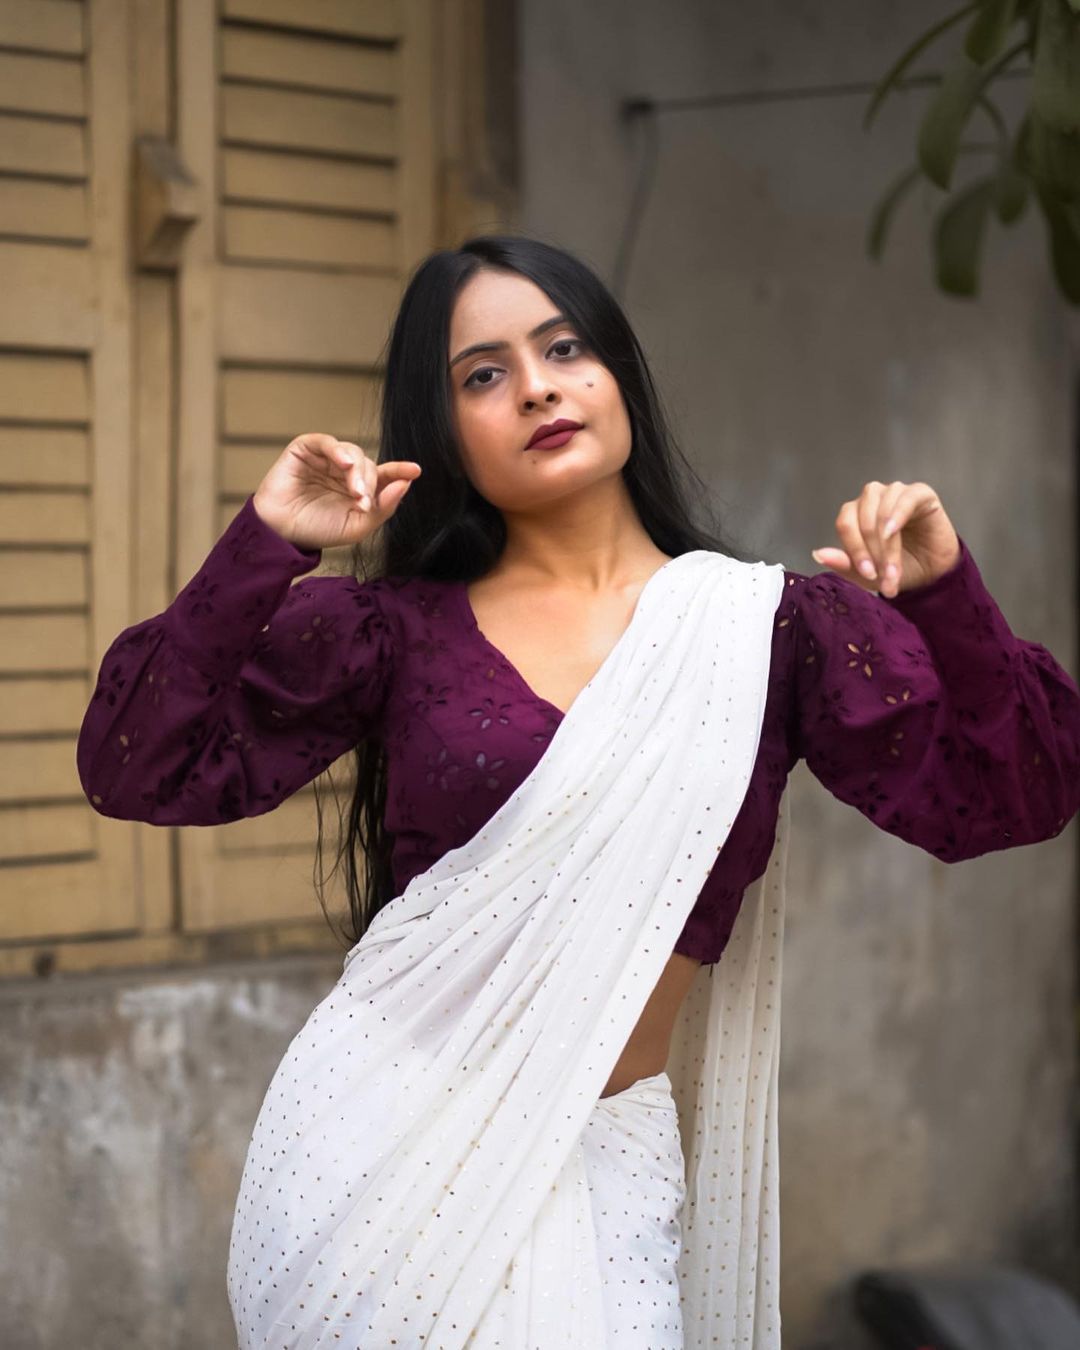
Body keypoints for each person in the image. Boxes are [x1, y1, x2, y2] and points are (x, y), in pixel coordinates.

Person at [76, 235, 1080, 1350]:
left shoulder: (766, 631)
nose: (537, 387)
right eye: (483, 374)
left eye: (564, 349)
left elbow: (1016, 796)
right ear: (442, 429)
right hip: (380, 1151)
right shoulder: (389, 631)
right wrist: (265, 544)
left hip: (610, 1161)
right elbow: (137, 762)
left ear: (618, 374)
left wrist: (945, 595)